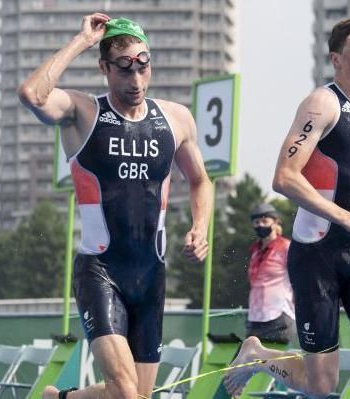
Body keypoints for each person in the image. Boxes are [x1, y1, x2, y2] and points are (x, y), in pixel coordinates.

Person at [224, 16, 350, 399]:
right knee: (321, 384)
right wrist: (347, 217)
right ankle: (256, 355)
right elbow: (284, 176)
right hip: (316, 256)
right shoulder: (322, 103)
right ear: (337, 60)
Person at [18, 14, 213, 399]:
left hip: (151, 276)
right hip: (100, 272)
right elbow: (32, 95)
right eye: (124, 69)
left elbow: (201, 180)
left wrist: (200, 225)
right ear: (105, 68)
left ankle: (60, 398)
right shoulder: (84, 113)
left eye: (143, 65)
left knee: (130, 394)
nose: (136, 80)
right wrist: (80, 40)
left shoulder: (175, 119)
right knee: (126, 394)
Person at [246, 203, 295, 344]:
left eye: (265, 221)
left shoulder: (286, 247)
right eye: (256, 222)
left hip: (278, 315)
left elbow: (299, 279)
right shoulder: (255, 251)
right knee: (253, 363)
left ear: (275, 222)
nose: (260, 225)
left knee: (276, 363)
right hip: (255, 317)